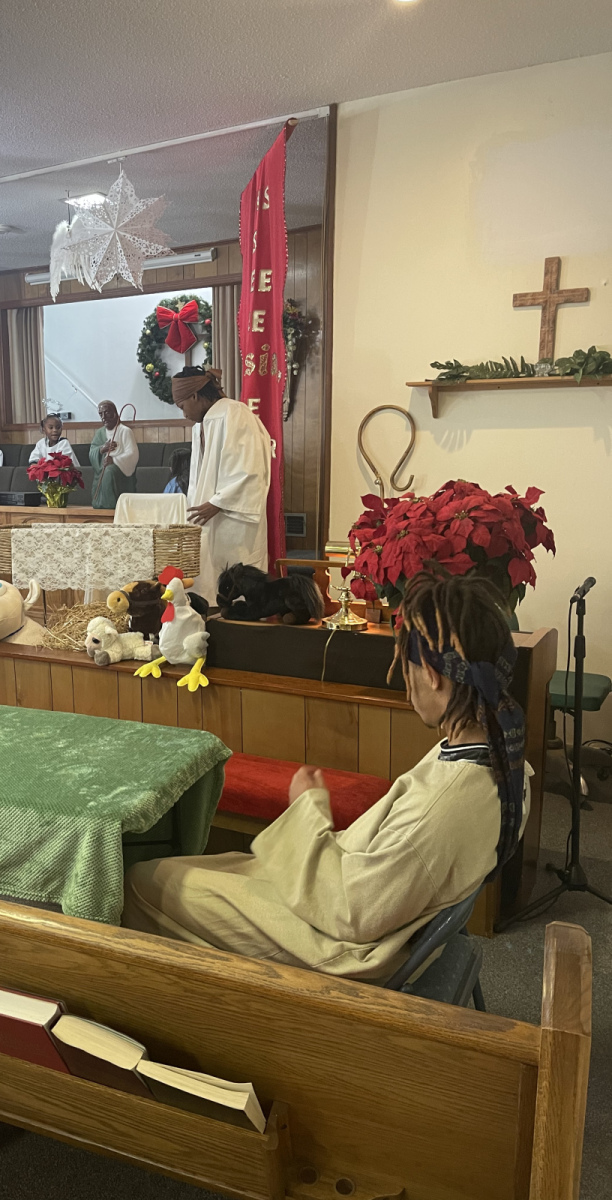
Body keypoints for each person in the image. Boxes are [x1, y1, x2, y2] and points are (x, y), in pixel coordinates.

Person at [123, 570, 531, 981]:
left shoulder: (448, 801)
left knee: (144, 881)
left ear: (431, 674)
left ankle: (188, 1003)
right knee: (205, 868)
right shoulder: (504, 753)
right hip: (363, 899)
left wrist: (307, 809)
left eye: (404, 667)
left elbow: (354, 911)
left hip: (345, 945)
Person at [172, 367, 271, 604]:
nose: (183, 413)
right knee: (208, 580)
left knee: (237, 578)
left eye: (182, 406)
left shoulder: (236, 413)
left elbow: (251, 467)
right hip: (208, 516)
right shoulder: (201, 425)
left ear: (195, 395)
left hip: (234, 517)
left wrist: (218, 502)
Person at [89, 400, 138, 509]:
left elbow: (133, 454)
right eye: (101, 414)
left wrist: (114, 460)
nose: (104, 417)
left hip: (121, 473)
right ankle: (101, 503)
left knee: (109, 471)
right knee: (106, 471)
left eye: (107, 412)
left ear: (115, 413)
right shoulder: (100, 433)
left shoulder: (125, 431)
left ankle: (111, 506)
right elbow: (92, 452)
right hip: (102, 470)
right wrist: (102, 449)